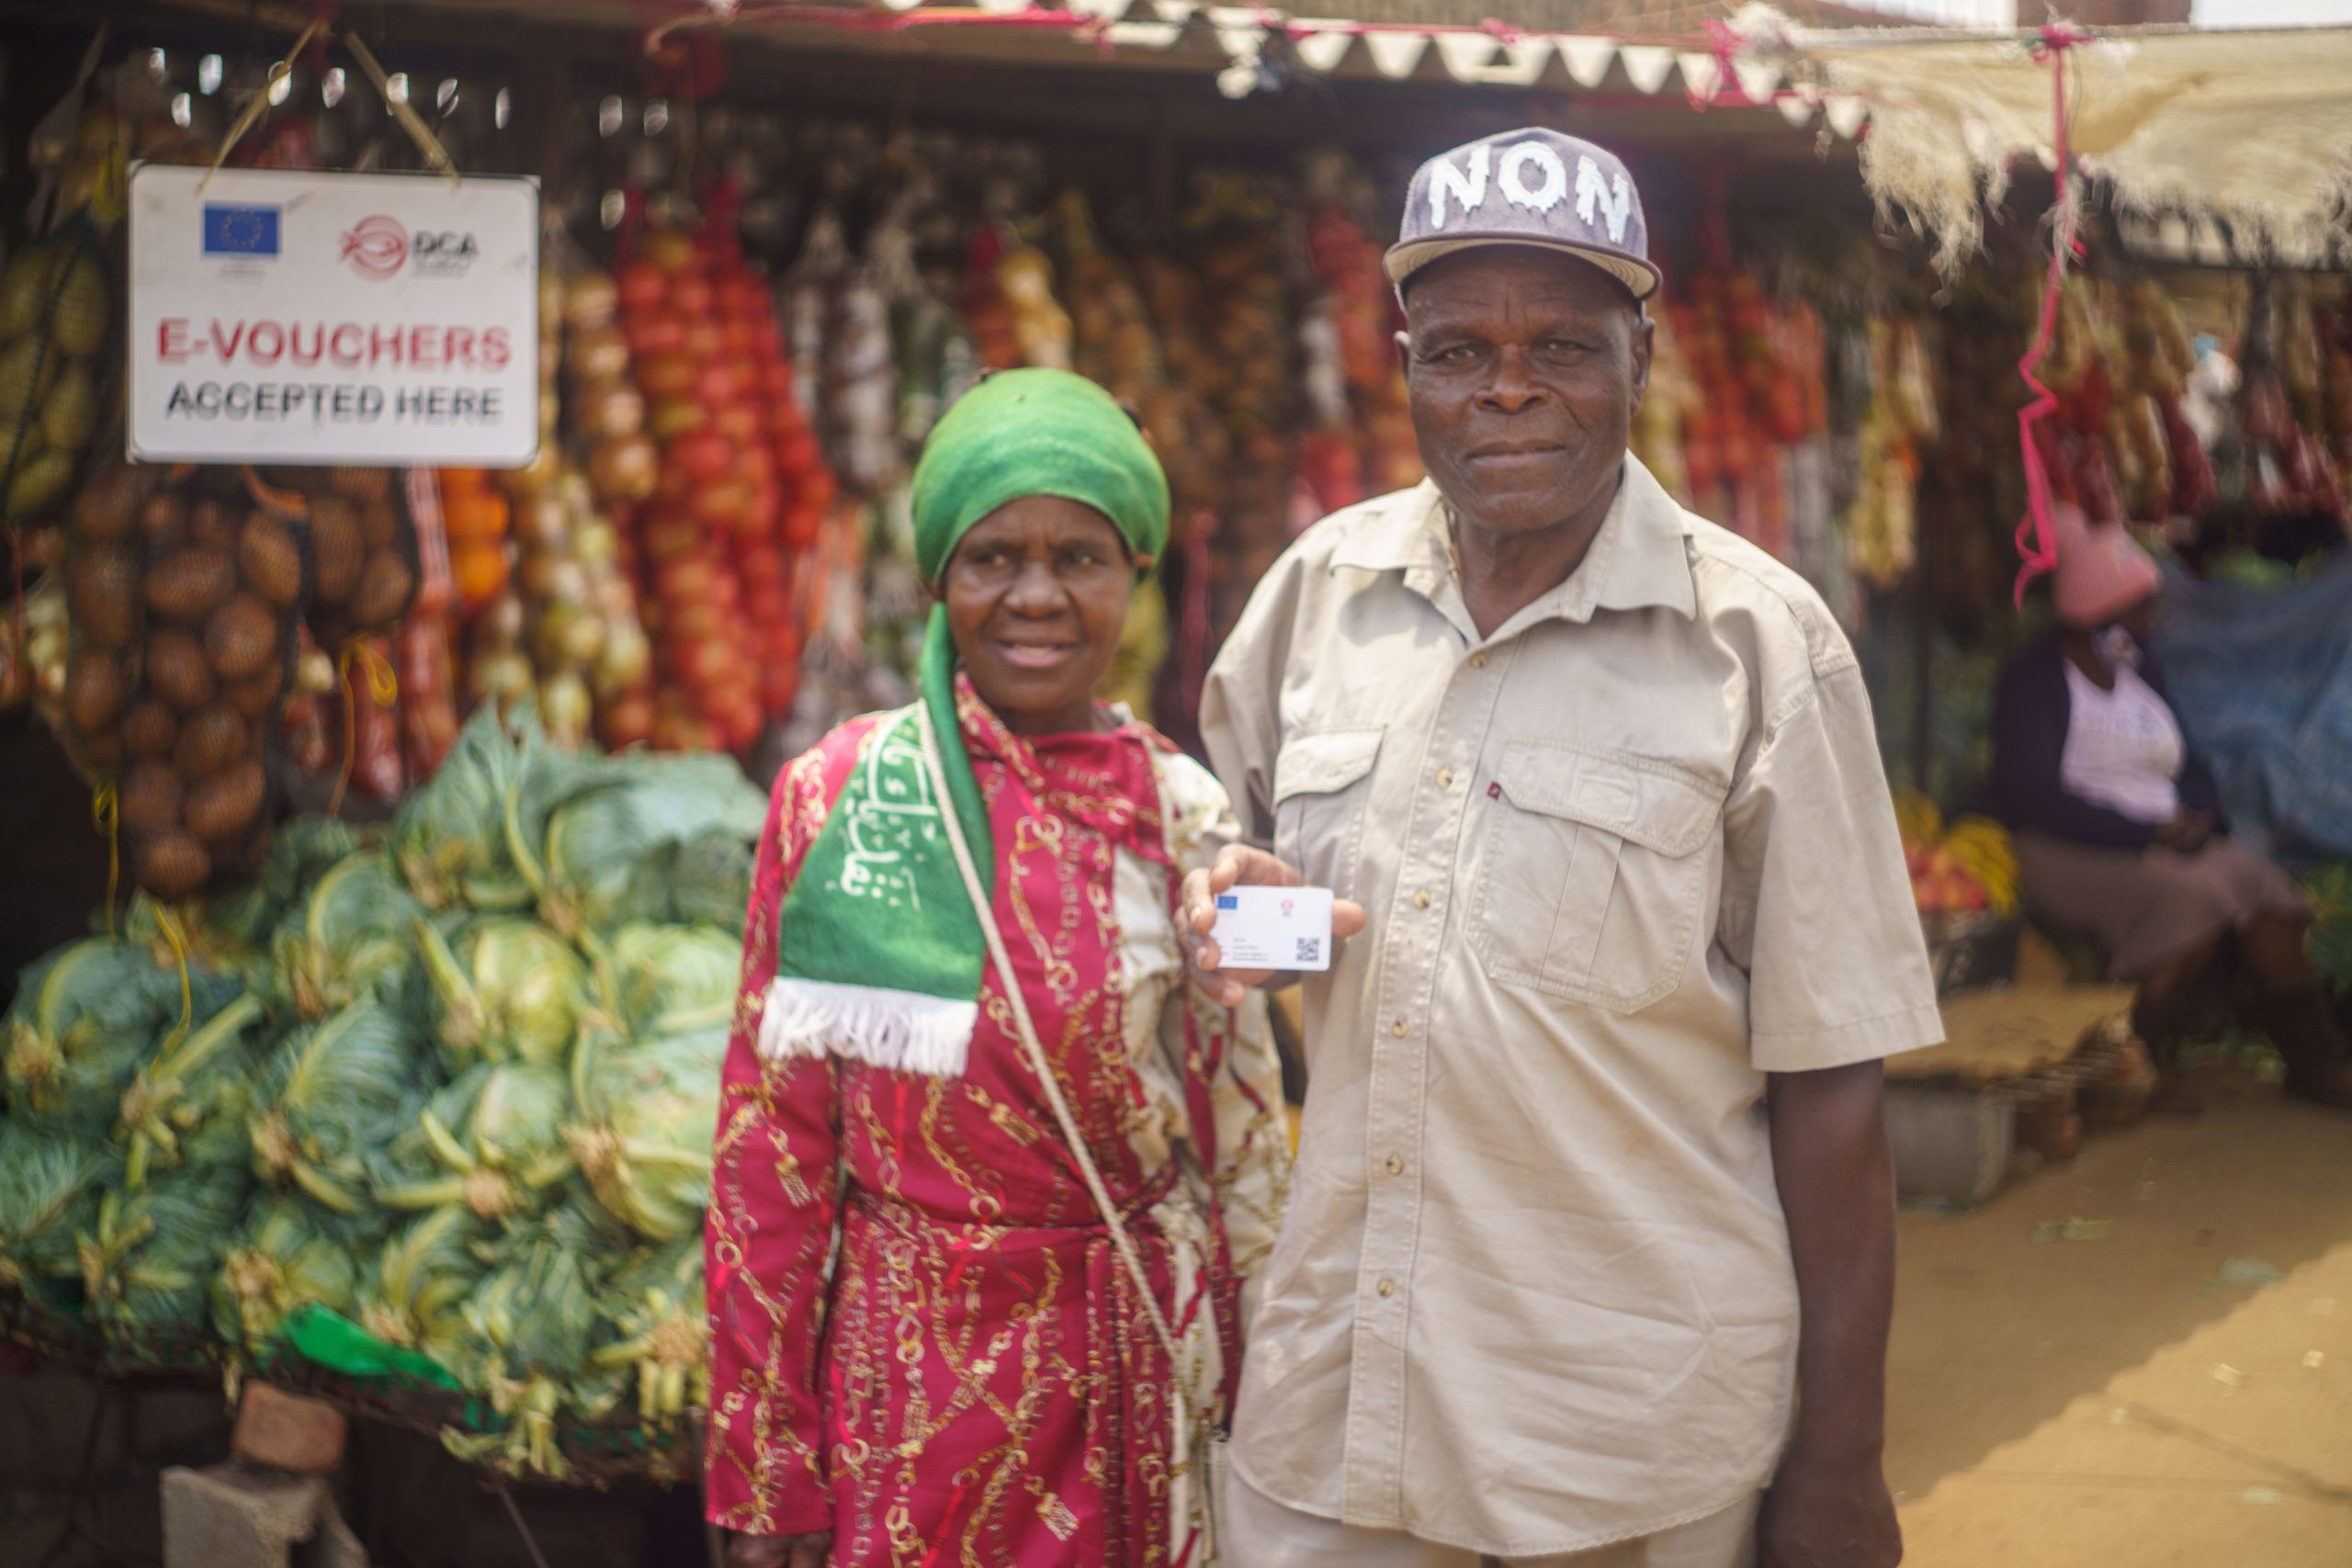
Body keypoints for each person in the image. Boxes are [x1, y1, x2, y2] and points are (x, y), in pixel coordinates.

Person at [1188, 129, 1941, 1568]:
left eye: (1564, 347)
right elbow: (1233, 898)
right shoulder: (1317, 597)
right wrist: (1241, 915)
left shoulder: (1757, 646)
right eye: (1459, 351)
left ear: (1643, 356)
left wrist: (1842, 1460)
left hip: (1624, 1436)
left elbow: (1835, 1079)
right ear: (1404, 366)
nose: (1510, 387)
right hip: (1337, 1406)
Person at [705, 369, 1298, 1567]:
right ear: (938, 577)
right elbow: (771, 1156)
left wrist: (1269, 1414)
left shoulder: (1181, 813)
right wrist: (768, 1469)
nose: (1036, 594)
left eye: (1079, 557)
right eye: (994, 558)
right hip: (910, 1393)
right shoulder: (841, 800)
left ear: (1136, 571)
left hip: (1135, 1382)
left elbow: (1242, 1141)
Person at [1989, 505, 2352, 1110]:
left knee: (2267, 889)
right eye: (2139, 608)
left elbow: (2191, 765)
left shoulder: (2138, 666)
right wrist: (2145, 833)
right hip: (2063, 847)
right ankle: (2126, 1064)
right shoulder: (2033, 681)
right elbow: (2033, 798)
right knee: (2194, 900)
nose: (2152, 620)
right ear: (2101, 614)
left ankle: (2315, 1060)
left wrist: (2200, 817)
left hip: (2160, 838)